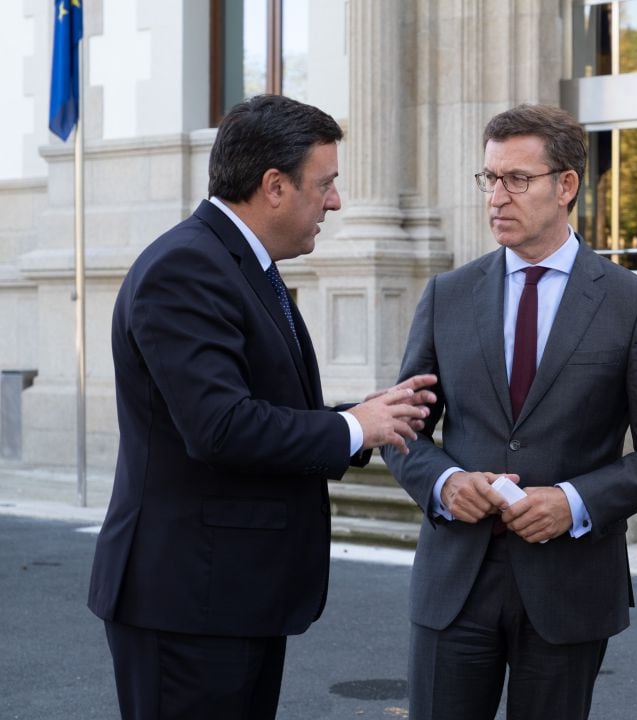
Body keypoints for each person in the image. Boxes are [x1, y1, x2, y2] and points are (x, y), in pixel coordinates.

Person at [87, 94, 437, 720]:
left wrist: (364, 418)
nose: (336, 202)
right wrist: (353, 427)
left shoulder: (241, 264)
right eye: (325, 184)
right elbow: (220, 427)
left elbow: (261, 404)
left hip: (230, 598)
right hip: (188, 606)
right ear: (274, 186)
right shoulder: (188, 267)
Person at [383, 103, 637, 720]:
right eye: (490, 178)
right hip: (456, 580)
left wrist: (575, 502)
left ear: (566, 186)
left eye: (516, 179)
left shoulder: (632, 305)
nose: (497, 196)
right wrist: (445, 483)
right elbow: (403, 427)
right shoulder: (447, 295)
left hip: (569, 586)